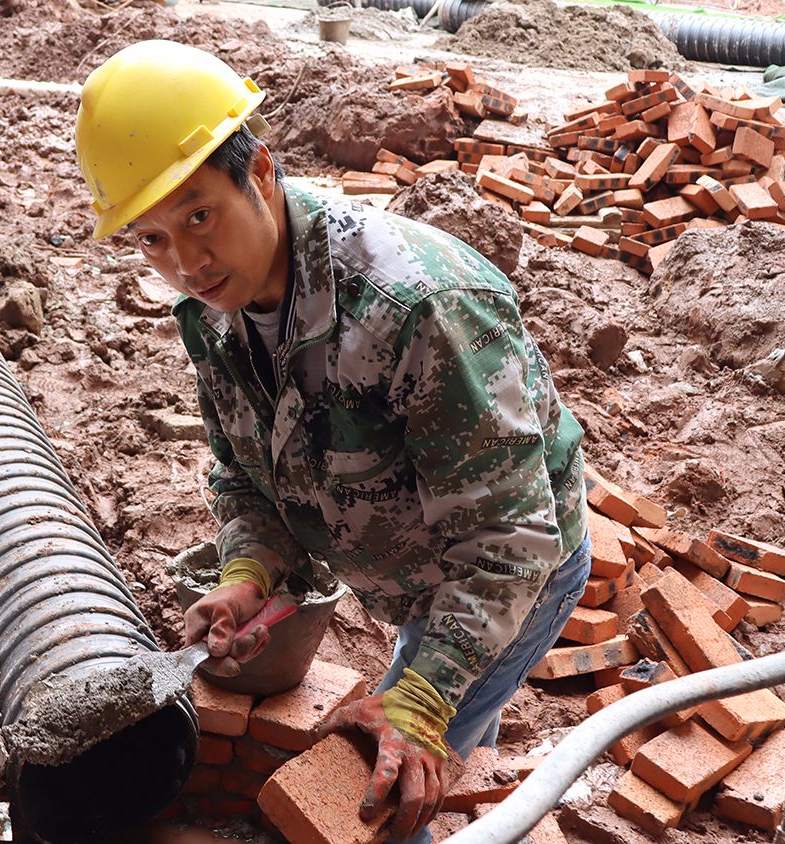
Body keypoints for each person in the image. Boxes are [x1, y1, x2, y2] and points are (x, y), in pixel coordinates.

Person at [73, 40, 590, 842]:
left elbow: (510, 539)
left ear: (263, 172)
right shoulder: (217, 315)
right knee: (447, 758)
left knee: (382, 797)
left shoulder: (414, 306)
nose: (186, 262)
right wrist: (247, 574)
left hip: (509, 575)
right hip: (412, 565)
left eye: (199, 215)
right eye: (150, 239)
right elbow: (245, 478)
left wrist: (422, 697)